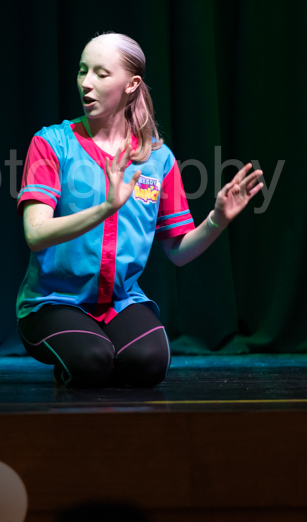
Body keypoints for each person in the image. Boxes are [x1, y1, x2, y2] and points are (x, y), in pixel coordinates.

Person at [16, 33, 263, 388]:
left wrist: (217, 220)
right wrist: (106, 208)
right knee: (92, 360)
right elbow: (35, 234)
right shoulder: (52, 144)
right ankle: (80, 358)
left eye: (101, 74)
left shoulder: (157, 159)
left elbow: (178, 251)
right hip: (54, 302)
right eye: (83, 70)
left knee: (150, 362)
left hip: (118, 303)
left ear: (131, 84)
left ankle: (96, 353)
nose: (86, 82)